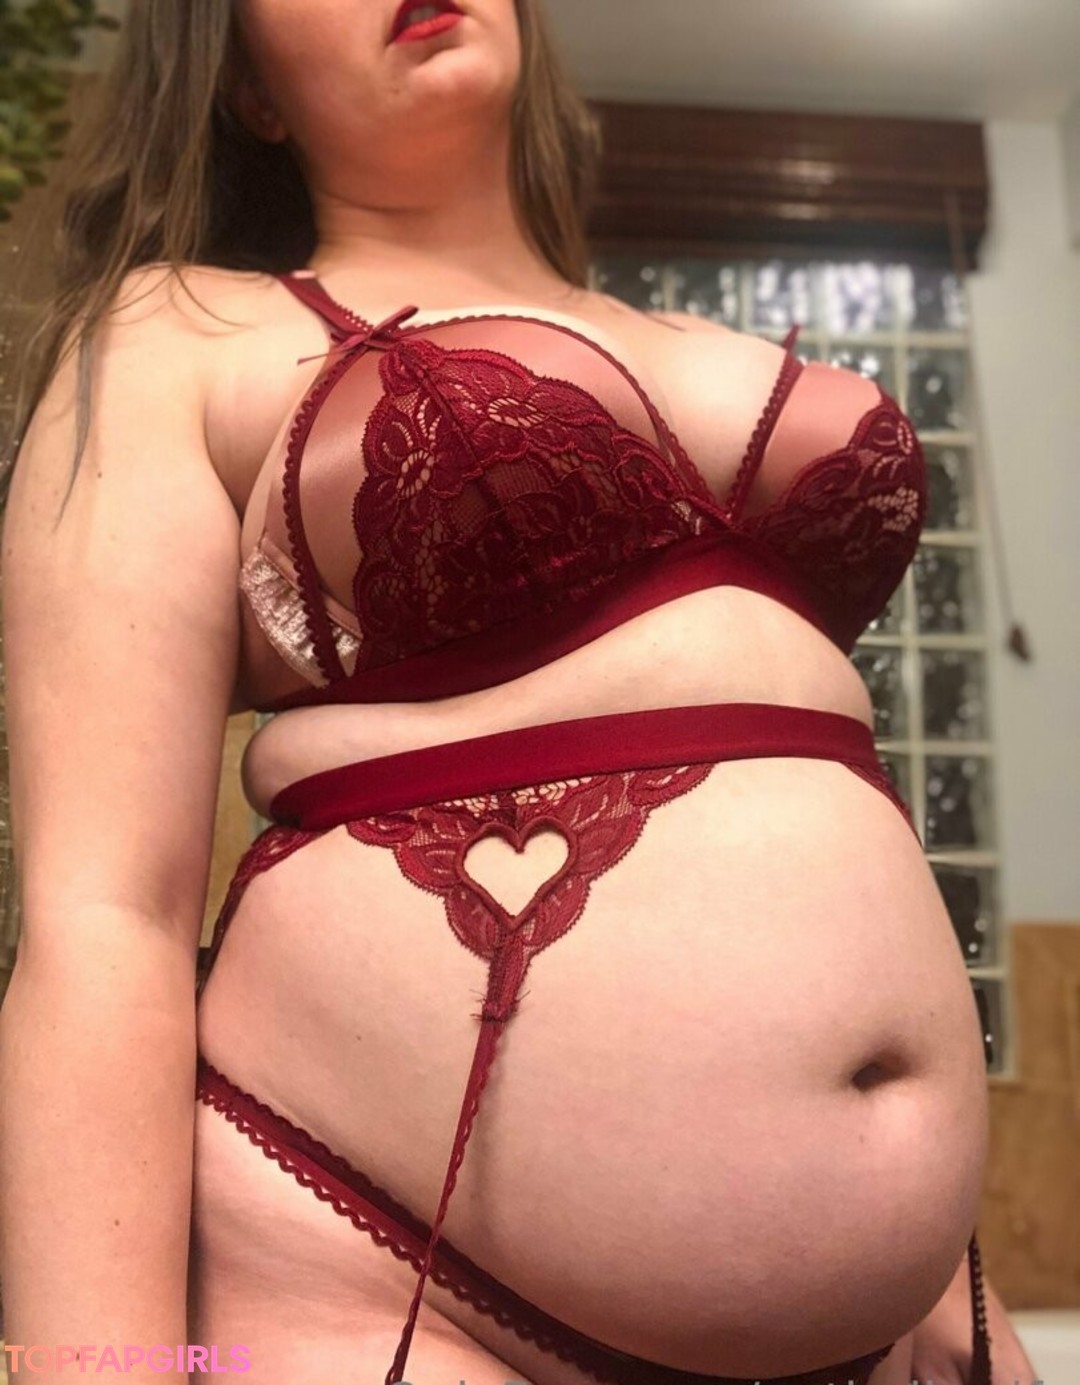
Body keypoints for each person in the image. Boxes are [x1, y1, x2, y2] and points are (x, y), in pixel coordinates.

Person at [0, 2, 1039, 1383]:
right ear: (245, 84)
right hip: (385, 1278)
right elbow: (105, 915)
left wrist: (932, 1259)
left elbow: (795, 790)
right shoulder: (177, 333)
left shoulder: (687, 335)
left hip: (900, 1317)